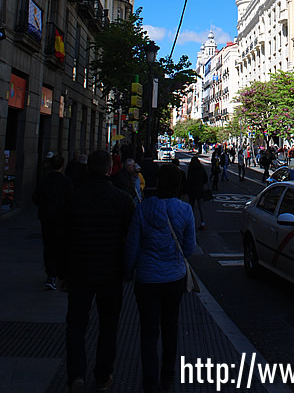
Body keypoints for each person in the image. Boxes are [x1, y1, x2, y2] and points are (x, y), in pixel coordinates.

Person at [60, 150, 134, 393]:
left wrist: (62, 272)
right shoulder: (121, 199)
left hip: (79, 270)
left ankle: (76, 377)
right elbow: (129, 238)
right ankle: (103, 375)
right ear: (109, 169)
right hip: (110, 272)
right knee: (109, 325)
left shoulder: (73, 197)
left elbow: (63, 238)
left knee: (76, 325)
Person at [125, 165, 195, 393]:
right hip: (174, 277)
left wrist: (128, 271)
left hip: (146, 278)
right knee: (171, 326)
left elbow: (132, 246)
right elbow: (189, 248)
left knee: (148, 331)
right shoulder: (185, 209)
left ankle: (150, 382)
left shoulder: (143, 208)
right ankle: (168, 374)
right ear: (179, 185)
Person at [32, 155, 73, 290]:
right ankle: (61, 274)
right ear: (62, 166)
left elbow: (36, 198)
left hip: (47, 218)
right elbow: (71, 200)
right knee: (61, 246)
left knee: (49, 246)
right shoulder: (66, 181)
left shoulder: (44, 180)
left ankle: (51, 274)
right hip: (62, 219)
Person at [187, 155, 208, 229]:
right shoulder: (202, 169)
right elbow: (206, 179)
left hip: (192, 190)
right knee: (201, 207)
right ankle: (203, 223)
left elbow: (188, 180)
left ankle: (190, 223)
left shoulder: (191, 169)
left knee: (191, 207)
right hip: (200, 190)